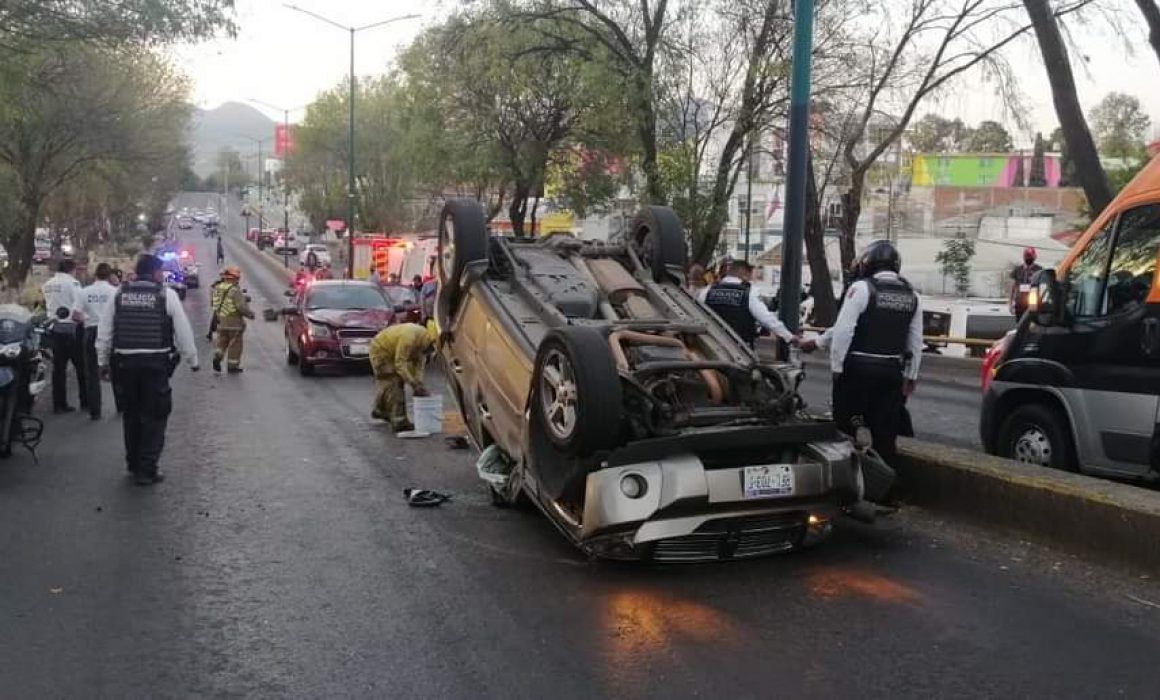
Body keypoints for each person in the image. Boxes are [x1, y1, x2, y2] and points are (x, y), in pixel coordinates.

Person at [96, 254, 199, 485]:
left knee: (131, 415)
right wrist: (192, 359)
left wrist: (102, 362)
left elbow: (104, 332)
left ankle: (133, 463)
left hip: (125, 365)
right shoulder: (166, 295)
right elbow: (182, 331)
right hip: (155, 365)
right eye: (161, 271)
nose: (162, 275)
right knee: (155, 416)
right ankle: (146, 468)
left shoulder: (118, 295)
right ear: (154, 273)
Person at [824, 240, 922, 465]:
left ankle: (847, 481)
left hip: (858, 371)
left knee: (845, 430)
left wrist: (837, 368)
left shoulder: (861, 288)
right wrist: (911, 376)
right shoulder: (912, 295)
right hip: (891, 372)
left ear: (868, 263)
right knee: (885, 436)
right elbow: (915, 341)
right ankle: (885, 489)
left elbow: (843, 331)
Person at [700, 259, 798, 348]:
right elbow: (766, 319)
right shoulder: (749, 293)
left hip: (712, 346)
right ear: (745, 274)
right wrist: (789, 337)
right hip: (740, 348)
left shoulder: (707, 291)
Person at [368, 322, 436, 433]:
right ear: (429, 343)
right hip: (380, 350)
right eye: (431, 349)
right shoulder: (410, 338)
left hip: (391, 351)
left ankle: (379, 409)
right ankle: (399, 421)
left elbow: (419, 366)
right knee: (394, 381)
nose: (429, 352)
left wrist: (419, 384)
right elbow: (400, 363)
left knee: (390, 383)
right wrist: (413, 384)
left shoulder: (423, 343)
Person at [42, 259, 87, 414]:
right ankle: (85, 401)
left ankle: (59, 404)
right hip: (71, 328)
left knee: (59, 369)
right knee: (81, 366)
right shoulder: (72, 283)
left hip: (54, 328)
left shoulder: (47, 284)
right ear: (71, 269)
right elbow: (79, 304)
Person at [79, 263, 118, 419]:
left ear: (95, 275)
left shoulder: (84, 292)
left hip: (91, 331)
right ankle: (121, 405)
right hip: (111, 332)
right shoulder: (115, 292)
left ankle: (95, 410)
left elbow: (76, 314)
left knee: (92, 372)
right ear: (109, 276)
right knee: (116, 368)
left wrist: (88, 318)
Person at [209, 266, 255, 373]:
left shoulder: (217, 288)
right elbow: (241, 306)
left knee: (222, 343)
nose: (238, 280)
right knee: (235, 345)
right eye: (237, 278)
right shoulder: (235, 290)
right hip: (235, 323)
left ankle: (218, 357)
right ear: (233, 278)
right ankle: (232, 366)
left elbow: (213, 304)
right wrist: (250, 314)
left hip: (221, 321)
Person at [1009, 247, 1042, 318]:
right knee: (1020, 324)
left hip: (1033, 304)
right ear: (1024, 257)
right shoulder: (1018, 270)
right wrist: (1010, 303)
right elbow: (1012, 287)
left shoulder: (1039, 270)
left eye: (1030, 256)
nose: (1028, 258)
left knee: (1032, 326)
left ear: (1034, 257)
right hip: (1019, 303)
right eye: (1027, 256)